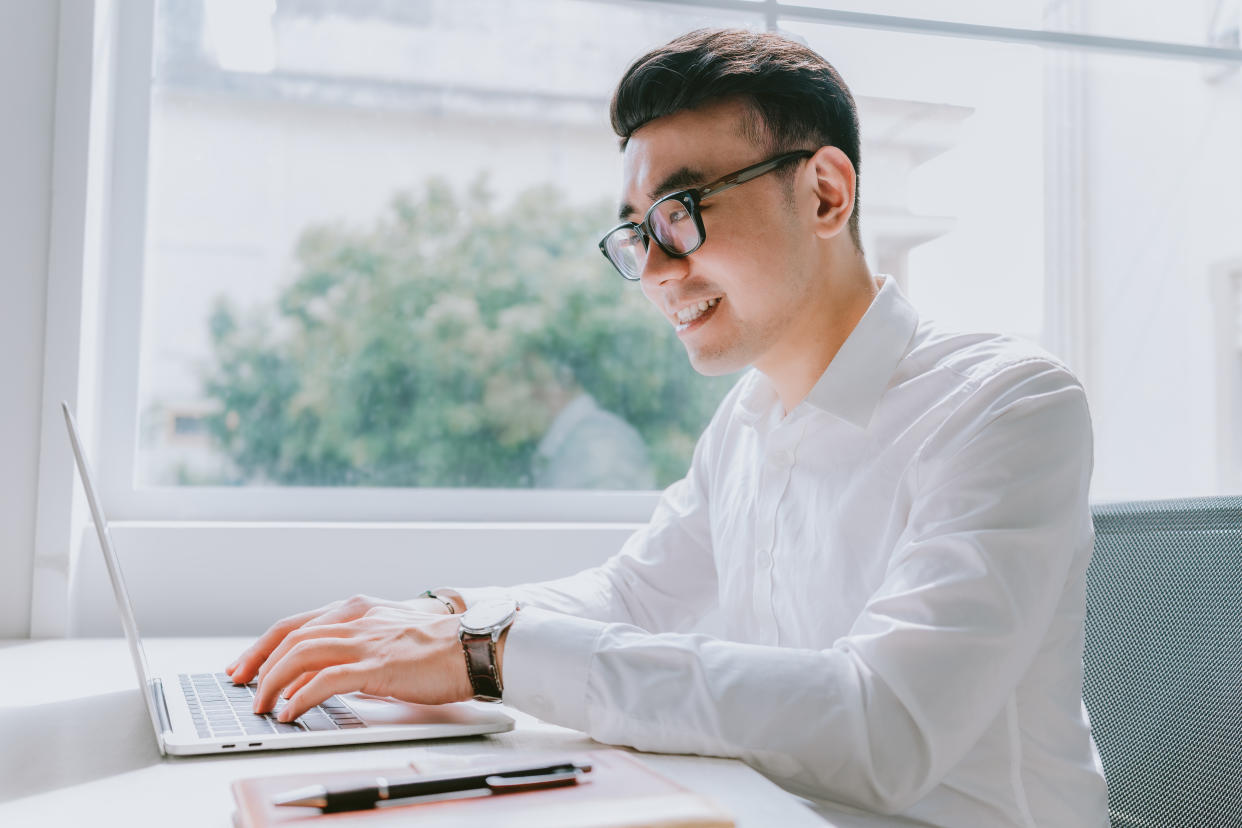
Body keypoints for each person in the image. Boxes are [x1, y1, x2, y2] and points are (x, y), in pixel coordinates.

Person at [228, 28, 1109, 827]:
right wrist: (435, 619)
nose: (651, 269)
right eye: (633, 232)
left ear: (827, 194)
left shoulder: (1007, 405)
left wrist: (489, 651)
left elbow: (884, 726)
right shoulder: (751, 417)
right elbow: (634, 597)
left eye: (681, 214)